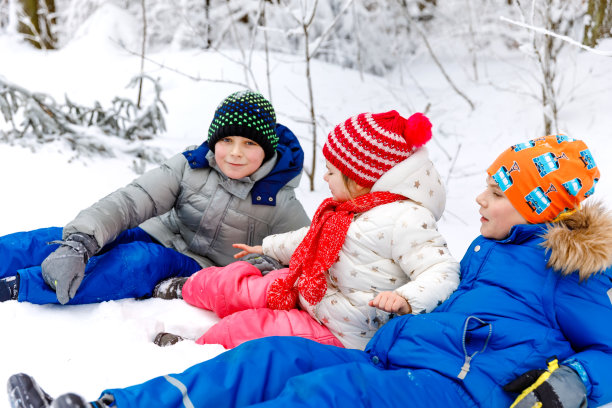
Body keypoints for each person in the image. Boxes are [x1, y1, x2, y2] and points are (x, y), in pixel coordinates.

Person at [8, 134, 612, 408]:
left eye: (497, 193)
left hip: (456, 391)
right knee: (265, 357)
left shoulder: (569, 274)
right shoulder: (489, 251)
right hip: (393, 360)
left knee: (321, 394)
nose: (479, 200)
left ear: (540, 206)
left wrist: (569, 386)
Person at [152, 110, 460, 350]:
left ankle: (197, 350)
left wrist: (406, 299)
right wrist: (269, 247)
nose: (324, 178)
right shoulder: (350, 209)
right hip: (312, 289)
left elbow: (442, 271)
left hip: (341, 330)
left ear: (360, 178)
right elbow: (310, 237)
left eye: (331, 171)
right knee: (246, 282)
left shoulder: (406, 219)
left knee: (254, 328)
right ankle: (187, 288)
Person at [0, 90, 310, 305]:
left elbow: (305, 258)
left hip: (200, 269)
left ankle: (18, 287)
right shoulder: (192, 165)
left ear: (267, 150)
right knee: (67, 238)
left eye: (249, 144)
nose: (236, 153)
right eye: (227, 140)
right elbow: (132, 200)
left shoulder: (280, 202)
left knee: (140, 261)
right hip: (157, 232)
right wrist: (79, 242)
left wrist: (262, 265)